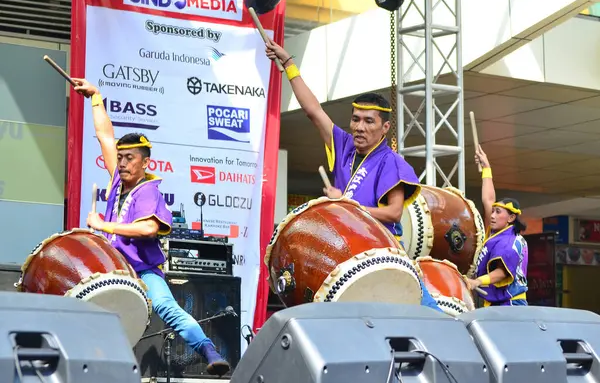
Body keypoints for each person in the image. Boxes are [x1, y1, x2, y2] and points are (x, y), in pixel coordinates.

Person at [265, 40, 443, 313]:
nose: (359, 127)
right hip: (345, 254)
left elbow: (394, 213)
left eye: (368, 121)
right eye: (356, 119)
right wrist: (289, 65)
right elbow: (314, 111)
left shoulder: (391, 162)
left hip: (383, 253)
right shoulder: (344, 146)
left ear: (385, 128)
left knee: (428, 316)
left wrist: (346, 206)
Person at [73, 78, 230, 376]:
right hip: (112, 267)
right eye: (119, 157)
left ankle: (209, 351)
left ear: (144, 162)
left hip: (143, 271)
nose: (121, 162)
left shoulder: (149, 191)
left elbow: (147, 229)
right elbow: (105, 136)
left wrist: (102, 224)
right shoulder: (118, 180)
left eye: (129, 158)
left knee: (167, 308)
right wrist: (95, 98)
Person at [466, 145, 528, 306]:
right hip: (497, 303)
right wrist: (486, 168)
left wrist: (477, 281)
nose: (492, 215)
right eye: (492, 212)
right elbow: (488, 199)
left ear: (511, 217)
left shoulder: (510, 241)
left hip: (511, 304)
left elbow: (501, 273)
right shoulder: (498, 232)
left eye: (498, 212)